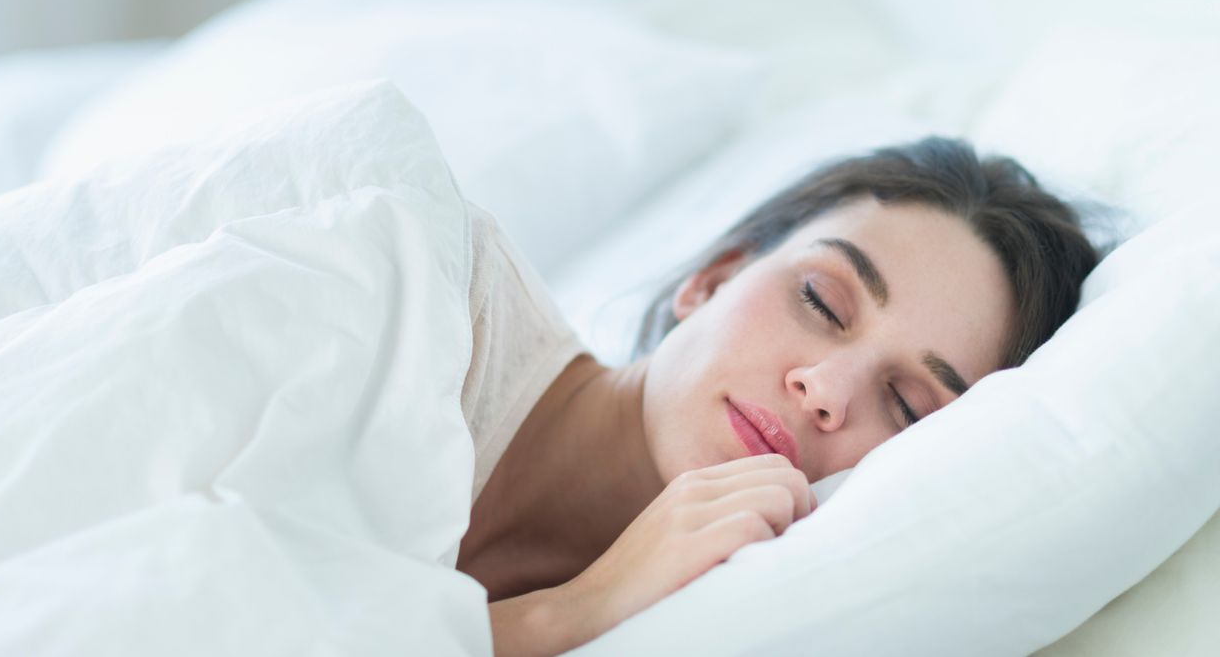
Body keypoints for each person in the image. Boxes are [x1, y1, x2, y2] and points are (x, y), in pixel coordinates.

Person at [453, 136, 1101, 656]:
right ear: (714, 278)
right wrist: (565, 614)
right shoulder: (425, 283)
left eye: (907, 406)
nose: (825, 389)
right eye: (820, 301)